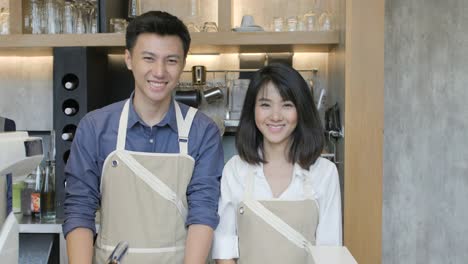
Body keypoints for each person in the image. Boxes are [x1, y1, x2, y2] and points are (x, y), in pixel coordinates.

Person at [62, 11, 224, 264]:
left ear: (182, 64)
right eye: (148, 58)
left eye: (171, 60)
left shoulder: (202, 131)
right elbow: (79, 209)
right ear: (129, 59)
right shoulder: (95, 127)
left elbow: (203, 212)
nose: (159, 71)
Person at [212, 63, 342, 263]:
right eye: (265, 104)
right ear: (252, 110)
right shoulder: (235, 170)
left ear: (301, 110)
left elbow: (329, 253)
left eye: (287, 105)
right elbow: (224, 249)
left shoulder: (324, 172)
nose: (275, 116)